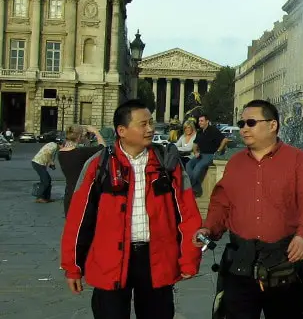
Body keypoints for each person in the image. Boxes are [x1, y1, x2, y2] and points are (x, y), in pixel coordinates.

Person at [60, 99, 202, 319]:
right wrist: (73, 266)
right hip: (109, 260)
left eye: (151, 123)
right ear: (122, 130)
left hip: (156, 259)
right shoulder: (99, 165)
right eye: (143, 124)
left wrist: (189, 258)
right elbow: (78, 220)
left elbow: (188, 214)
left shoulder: (168, 163)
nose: (151, 129)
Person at [195, 99, 303, 319]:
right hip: (241, 265)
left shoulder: (297, 160)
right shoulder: (235, 163)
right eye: (241, 123)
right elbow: (221, 203)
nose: (244, 128)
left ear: (272, 125)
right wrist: (208, 229)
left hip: (284, 265)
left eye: (251, 122)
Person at [57, 124, 106, 216]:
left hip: (69, 194)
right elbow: (102, 148)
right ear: (79, 137)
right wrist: (96, 132)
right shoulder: (81, 152)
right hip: (81, 193)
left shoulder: (61, 153)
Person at [185, 113, 228, 197]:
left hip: (210, 155)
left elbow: (225, 140)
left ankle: (188, 189)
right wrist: (195, 152)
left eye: (202, 121)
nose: (199, 122)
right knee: (188, 164)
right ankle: (196, 187)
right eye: (199, 121)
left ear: (207, 121)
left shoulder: (213, 130)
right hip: (200, 154)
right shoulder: (200, 132)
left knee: (198, 167)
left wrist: (218, 150)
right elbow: (195, 144)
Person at [31, 136, 60, 203]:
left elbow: (47, 154)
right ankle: (39, 197)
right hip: (38, 163)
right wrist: (51, 162)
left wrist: (50, 164)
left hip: (40, 164)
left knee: (47, 180)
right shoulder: (54, 145)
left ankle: (46, 198)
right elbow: (47, 154)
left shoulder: (53, 146)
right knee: (46, 181)